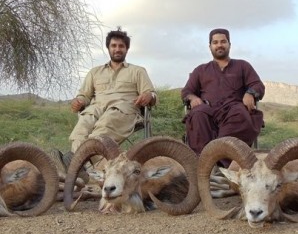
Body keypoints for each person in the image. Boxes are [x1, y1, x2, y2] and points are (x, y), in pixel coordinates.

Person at [51, 28, 156, 177]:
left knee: (100, 131)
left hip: (123, 109)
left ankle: (76, 168)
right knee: (80, 132)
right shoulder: (95, 72)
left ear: (127, 49)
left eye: (121, 46)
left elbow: (151, 94)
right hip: (97, 108)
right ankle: (86, 172)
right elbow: (84, 95)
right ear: (108, 48)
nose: (117, 49)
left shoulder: (138, 71)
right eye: (114, 46)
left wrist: (149, 96)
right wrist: (79, 100)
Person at [181, 28, 265, 167]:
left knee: (239, 114)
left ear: (229, 44)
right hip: (208, 109)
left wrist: (250, 93)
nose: (219, 45)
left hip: (233, 109)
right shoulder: (200, 70)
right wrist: (192, 98)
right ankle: (203, 165)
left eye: (223, 42)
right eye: (215, 42)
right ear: (210, 46)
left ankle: (224, 166)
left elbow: (257, 85)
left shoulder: (243, 66)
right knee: (198, 114)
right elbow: (187, 91)